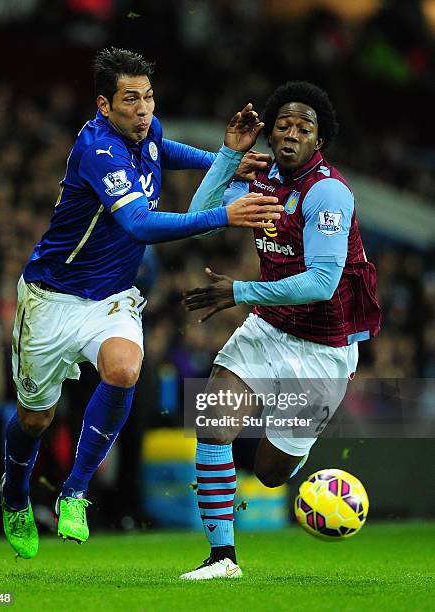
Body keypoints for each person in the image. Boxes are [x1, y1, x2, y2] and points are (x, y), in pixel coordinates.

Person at [0, 46, 282, 560]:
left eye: (149, 96)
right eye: (131, 99)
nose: (144, 108)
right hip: (50, 300)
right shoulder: (98, 151)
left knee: (125, 369)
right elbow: (140, 225)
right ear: (104, 105)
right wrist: (225, 214)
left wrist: (227, 162)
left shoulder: (143, 130)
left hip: (110, 297)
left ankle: (75, 492)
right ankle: (14, 494)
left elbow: (165, 151)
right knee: (34, 420)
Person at [182, 81, 382, 579]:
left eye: (305, 128)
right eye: (284, 125)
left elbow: (321, 282)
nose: (292, 133)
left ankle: (302, 453)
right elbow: (199, 220)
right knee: (212, 423)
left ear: (320, 140)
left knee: (270, 474)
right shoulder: (261, 177)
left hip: (323, 348)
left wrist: (240, 292)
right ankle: (222, 558)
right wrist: (229, 156)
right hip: (267, 328)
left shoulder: (329, 192)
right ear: (270, 131)